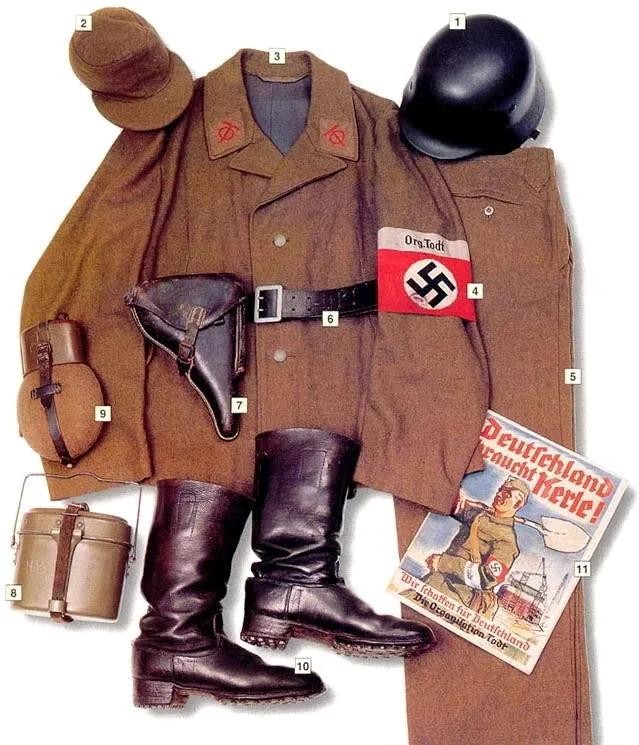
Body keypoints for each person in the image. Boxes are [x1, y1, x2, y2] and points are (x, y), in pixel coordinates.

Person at [423, 476, 530, 619]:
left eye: (507, 494)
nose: (499, 494)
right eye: (500, 490)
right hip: (437, 581)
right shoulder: (479, 515)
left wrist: (443, 563)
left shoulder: (507, 541)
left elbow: (487, 577)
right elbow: (456, 508)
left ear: (517, 503)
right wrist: (456, 496)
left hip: (460, 597)